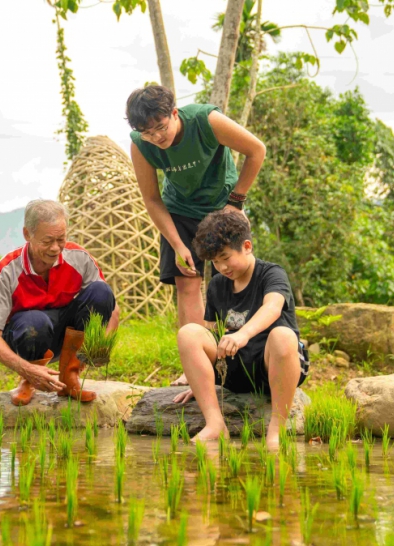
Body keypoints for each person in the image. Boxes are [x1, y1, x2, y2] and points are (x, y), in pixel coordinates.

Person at [125, 84, 267, 386]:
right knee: (187, 282)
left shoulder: (206, 121)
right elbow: (152, 199)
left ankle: (243, 359)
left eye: (161, 128)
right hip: (179, 212)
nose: (157, 138)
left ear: (174, 113)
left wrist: (236, 202)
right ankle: (197, 366)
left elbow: (257, 151)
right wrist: (177, 244)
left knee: (236, 276)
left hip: (221, 207)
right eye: (148, 133)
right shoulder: (141, 144)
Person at [172, 211, 309, 449]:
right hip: (235, 369)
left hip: (272, 366)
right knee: (188, 333)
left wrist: (242, 334)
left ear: (247, 246)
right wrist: (197, 375)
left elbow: (273, 308)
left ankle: (275, 432)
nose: (222, 267)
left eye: (225, 257)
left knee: (283, 335)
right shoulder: (217, 285)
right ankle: (215, 425)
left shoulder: (271, 274)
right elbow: (211, 334)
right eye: (215, 262)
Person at [0, 199, 120, 406]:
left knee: (101, 291)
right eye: (47, 241)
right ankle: (29, 380)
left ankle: (69, 375)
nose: (55, 248)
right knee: (35, 322)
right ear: (27, 234)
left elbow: (111, 307)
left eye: (61, 239)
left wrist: (101, 345)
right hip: (27, 333)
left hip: (64, 332)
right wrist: (27, 369)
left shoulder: (79, 258)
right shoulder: (8, 271)